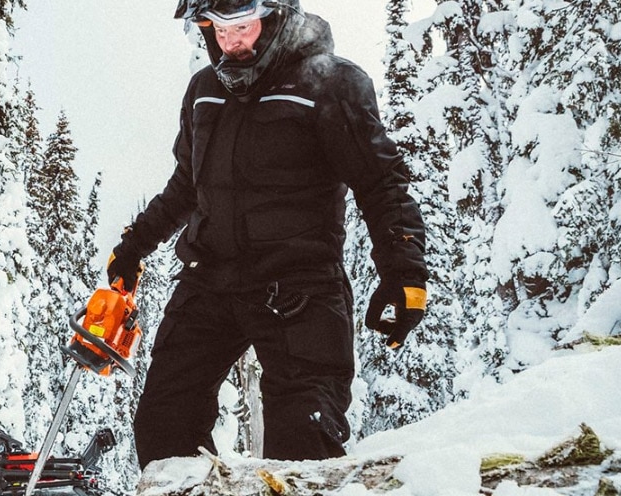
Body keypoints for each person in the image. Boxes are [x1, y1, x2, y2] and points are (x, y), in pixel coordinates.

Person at [105, 0, 430, 466]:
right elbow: (188, 185)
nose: (230, 41)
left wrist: (404, 272)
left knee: (304, 439)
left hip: (299, 289)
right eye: (218, 30)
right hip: (210, 281)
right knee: (163, 425)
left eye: (241, 26)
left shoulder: (331, 84)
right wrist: (135, 245)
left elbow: (380, 182)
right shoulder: (204, 88)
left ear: (275, 18)